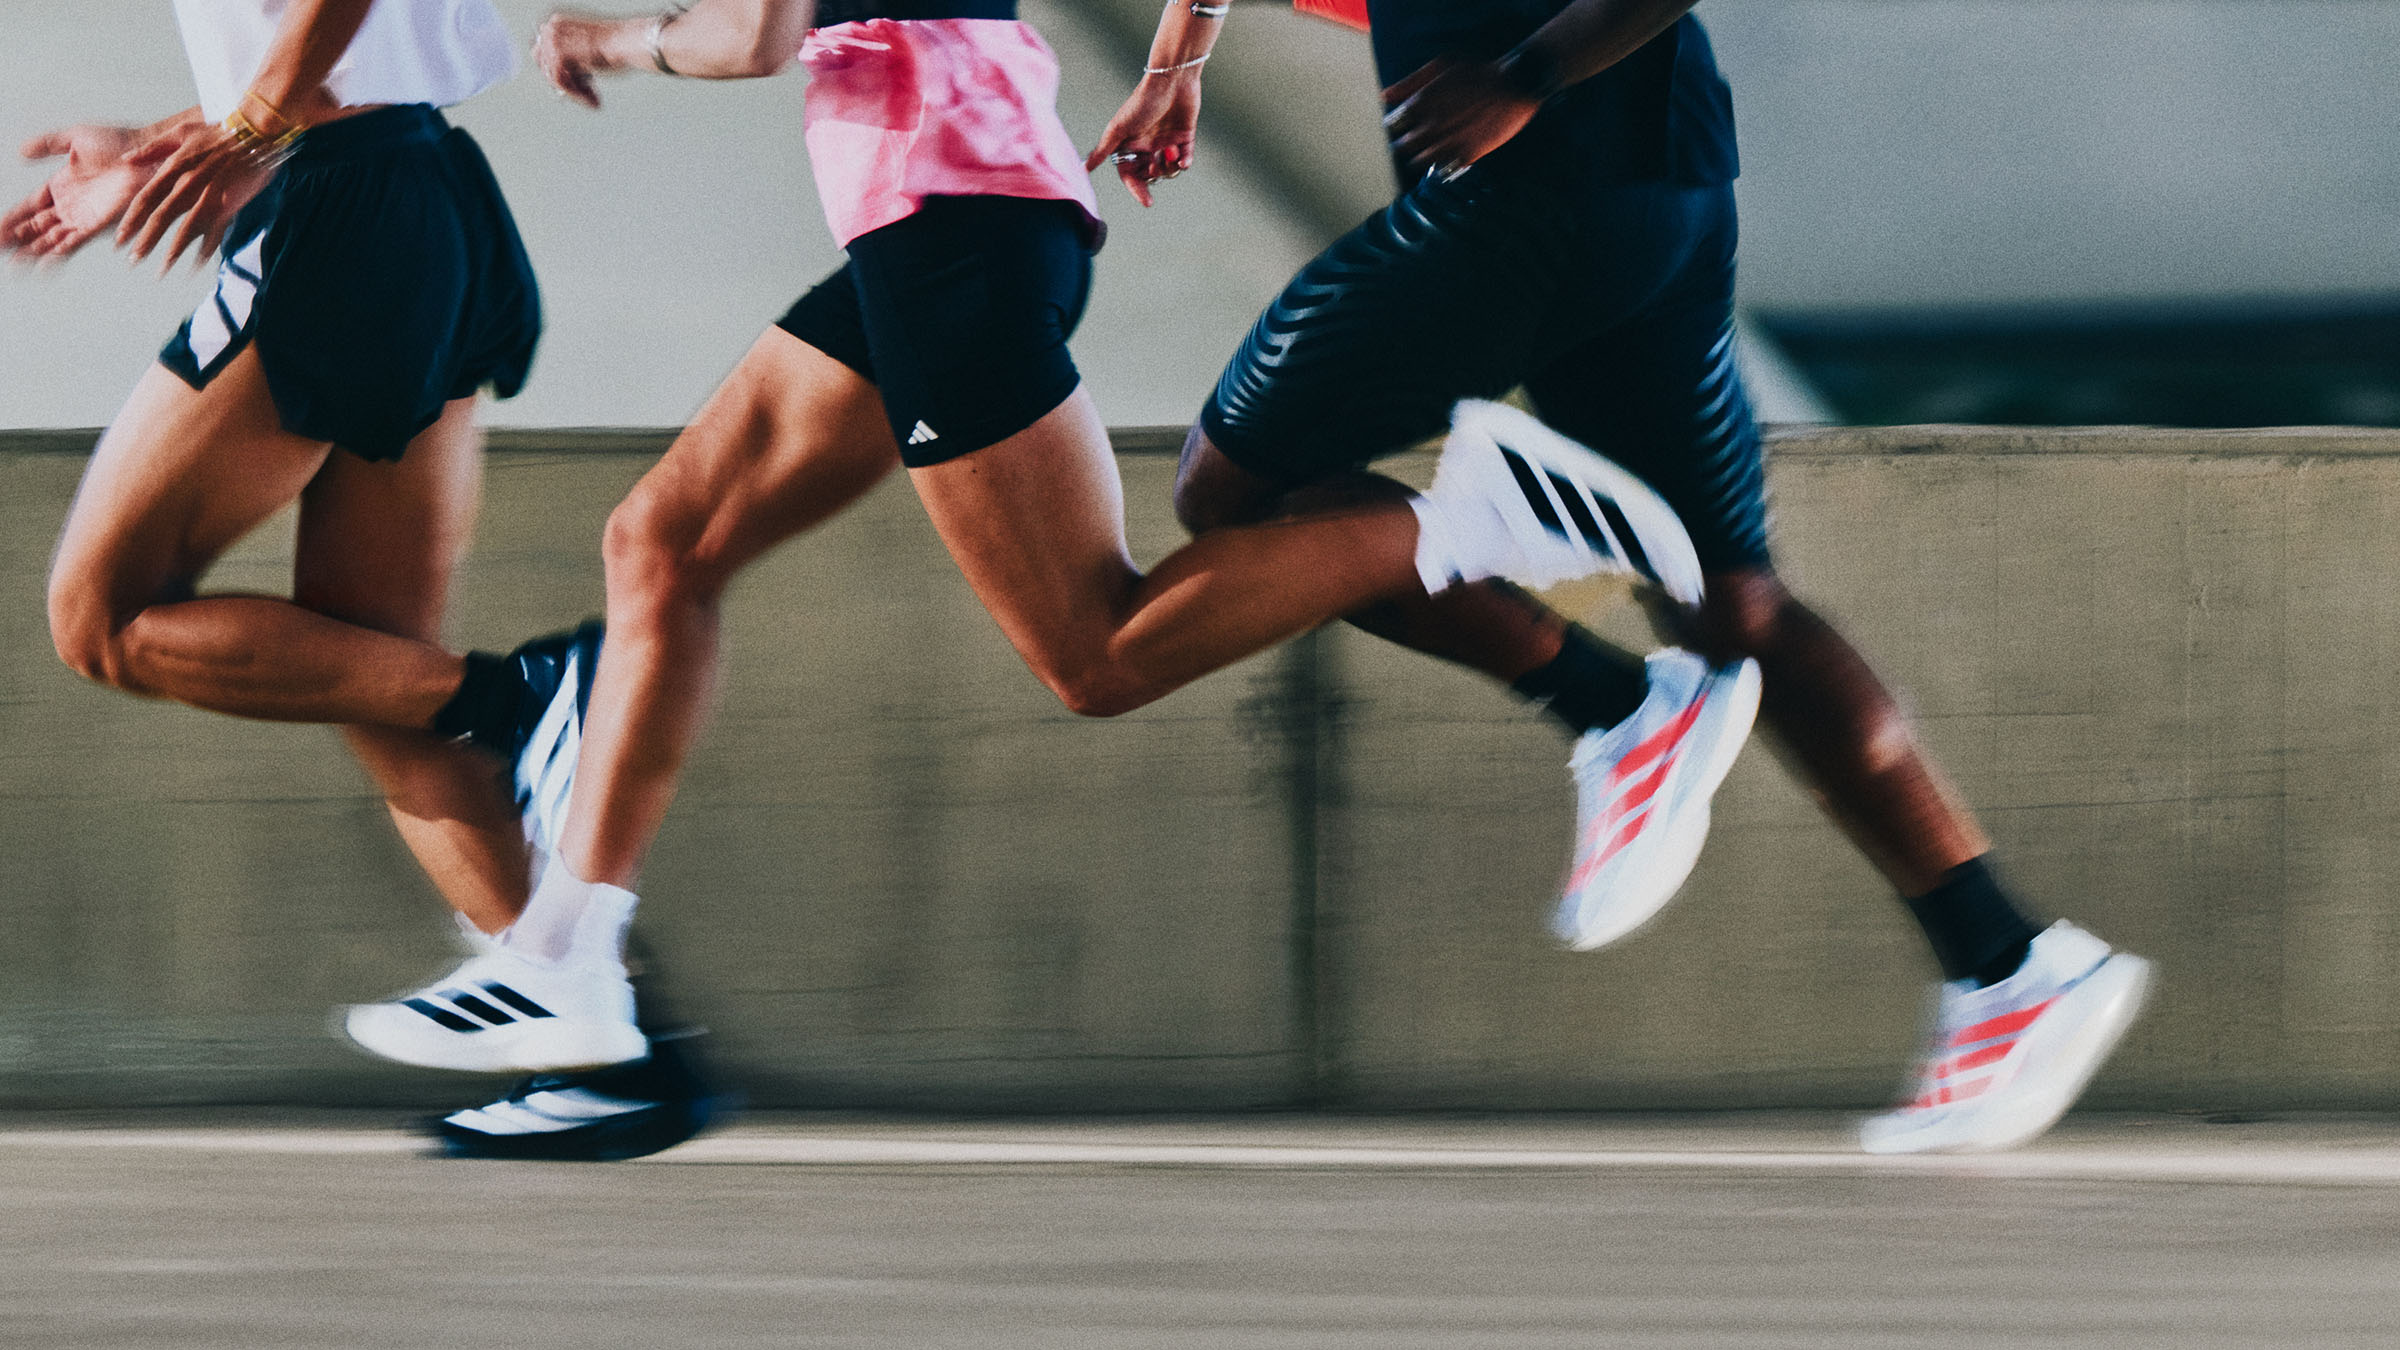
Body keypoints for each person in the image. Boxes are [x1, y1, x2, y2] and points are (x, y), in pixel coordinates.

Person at [341, 0, 1710, 1092]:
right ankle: (569, 960)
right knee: (661, 541)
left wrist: (613, 38)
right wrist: (1176, 60)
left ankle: (1480, 517)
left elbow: (752, 33)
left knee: (1096, 649)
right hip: (945, 206)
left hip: (946, 220)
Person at [1087, 0, 2153, 1153]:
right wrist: (1180, 57)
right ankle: (2007, 963)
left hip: (1528, 202)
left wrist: (1526, 73)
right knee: (1730, 607)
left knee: (1237, 494)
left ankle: (1613, 705)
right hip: (1658, 192)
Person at [5, 0, 714, 1158]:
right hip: (414, 184)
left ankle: (534, 699)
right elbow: (344, 55)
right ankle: (613, 1049)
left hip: (346, 200)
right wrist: (175, 140)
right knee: (374, 674)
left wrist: (243, 127)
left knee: (105, 620)